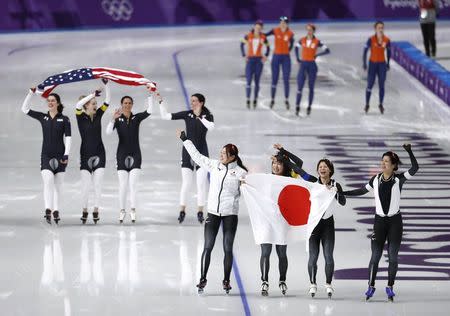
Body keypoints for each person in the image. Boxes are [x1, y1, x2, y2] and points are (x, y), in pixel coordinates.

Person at [341, 144, 419, 301]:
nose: (383, 164)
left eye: (387, 161)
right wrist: (343, 192)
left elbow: (415, 167)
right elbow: (362, 191)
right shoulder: (375, 179)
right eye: (382, 161)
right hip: (379, 223)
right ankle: (371, 285)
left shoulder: (399, 179)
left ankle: (390, 287)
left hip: (395, 223)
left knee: (393, 256)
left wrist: (409, 151)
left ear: (394, 165)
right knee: (375, 256)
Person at [176, 129, 247, 294]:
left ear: (232, 157)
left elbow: (250, 191)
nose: (221, 155)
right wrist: (185, 140)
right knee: (208, 247)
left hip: (230, 215)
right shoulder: (214, 165)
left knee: (227, 248)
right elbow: (197, 156)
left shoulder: (241, 173)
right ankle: (202, 278)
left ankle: (226, 280)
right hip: (213, 213)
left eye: (225, 153)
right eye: (221, 152)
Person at [276, 144, 345, 298]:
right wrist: (284, 155)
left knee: (328, 256)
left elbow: (343, 202)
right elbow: (299, 171)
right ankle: (312, 283)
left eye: (325, 167)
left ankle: (328, 284)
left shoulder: (335, 185)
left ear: (330, 170)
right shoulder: (313, 182)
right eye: (320, 166)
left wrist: (336, 193)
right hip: (314, 225)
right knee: (313, 257)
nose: (322, 169)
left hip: (328, 225)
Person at [159, 91, 214, 224]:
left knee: (201, 184)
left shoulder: (208, 115)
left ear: (201, 103)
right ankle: (182, 210)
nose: (192, 103)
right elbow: (165, 116)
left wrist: (200, 117)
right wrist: (161, 103)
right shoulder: (187, 114)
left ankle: (200, 211)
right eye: (191, 100)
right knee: (187, 183)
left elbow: (211, 127)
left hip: (202, 152)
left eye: (194, 101)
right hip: (187, 152)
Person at [21, 88, 71, 224]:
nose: (50, 103)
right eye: (48, 101)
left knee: (58, 186)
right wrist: (30, 93)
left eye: (53, 101)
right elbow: (24, 109)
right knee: (48, 181)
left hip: (61, 156)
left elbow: (69, 138)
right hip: (46, 156)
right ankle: (48, 209)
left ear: (58, 103)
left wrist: (66, 155)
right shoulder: (43, 117)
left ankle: (56, 210)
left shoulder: (65, 119)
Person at [106, 88, 154, 223]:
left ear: (132, 105)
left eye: (129, 103)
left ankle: (133, 210)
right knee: (123, 185)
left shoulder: (136, 118)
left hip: (135, 154)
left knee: (133, 184)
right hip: (121, 154)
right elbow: (108, 132)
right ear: (121, 105)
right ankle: (122, 210)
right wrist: (112, 119)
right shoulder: (118, 118)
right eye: (125, 103)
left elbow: (149, 111)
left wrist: (150, 95)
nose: (127, 105)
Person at [257, 148, 296, 296]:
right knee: (265, 252)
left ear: (285, 165)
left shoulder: (290, 180)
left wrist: (285, 153)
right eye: (274, 163)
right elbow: (251, 186)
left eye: (279, 163)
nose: (276, 166)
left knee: (281, 253)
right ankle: (265, 281)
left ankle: (282, 280)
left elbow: (299, 164)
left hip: (281, 222)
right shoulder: (265, 178)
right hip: (266, 221)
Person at [75, 79, 110, 224]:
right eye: (93, 103)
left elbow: (107, 101)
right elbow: (77, 105)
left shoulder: (99, 115)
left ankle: (96, 209)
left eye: (96, 103)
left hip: (100, 153)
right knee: (86, 186)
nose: (96, 105)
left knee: (98, 184)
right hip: (85, 155)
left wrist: (107, 85)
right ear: (86, 105)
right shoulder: (80, 116)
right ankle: (84, 209)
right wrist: (92, 94)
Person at [294, 24, 330, 116]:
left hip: (312, 66)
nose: (309, 31)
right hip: (303, 65)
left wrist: (317, 55)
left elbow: (327, 50)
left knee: (311, 87)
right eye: (308, 30)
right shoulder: (302, 40)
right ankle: (297, 106)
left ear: (313, 31)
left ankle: (309, 106)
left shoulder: (317, 41)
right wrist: (298, 58)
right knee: (300, 86)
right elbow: (296, 47)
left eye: (310, 30)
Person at [265, 16, 294, 110]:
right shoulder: (274, 30)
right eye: (281, 22)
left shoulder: (290, 33)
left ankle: (286, 100)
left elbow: (292, 44)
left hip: (286, 58)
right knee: (274, 79)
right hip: (276, 57)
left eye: (284, 22)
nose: (283, 23)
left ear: (287, 23)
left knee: (286, 79)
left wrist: (287, 51)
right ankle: (272, 100)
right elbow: (264, 35)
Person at [240, 19, 270, 109]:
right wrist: (244, 55)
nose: (258, 29)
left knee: (257, 82)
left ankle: (255, 100)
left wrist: (266, 56)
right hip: (250, 61)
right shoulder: (248, 36)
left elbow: (268, 47)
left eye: (260, 28)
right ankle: (248, 99)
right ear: (254, 27)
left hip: (258, 61)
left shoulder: (263, 37)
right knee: (249, 81)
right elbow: (241, 44)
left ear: (261, 28)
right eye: (257, 27)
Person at [363, 21, 391, 115]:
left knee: (381, 85)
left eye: (382, 27)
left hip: (382, 65)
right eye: (379, 27)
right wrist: (364, 64)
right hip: (372, 65)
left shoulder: (386, 40)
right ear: (375, 29)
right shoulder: (370, 39)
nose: (381, 29)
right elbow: (365, 52)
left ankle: (381, 104)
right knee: (370, 85)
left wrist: (388, 63)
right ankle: (367, 104)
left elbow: (389, 52)